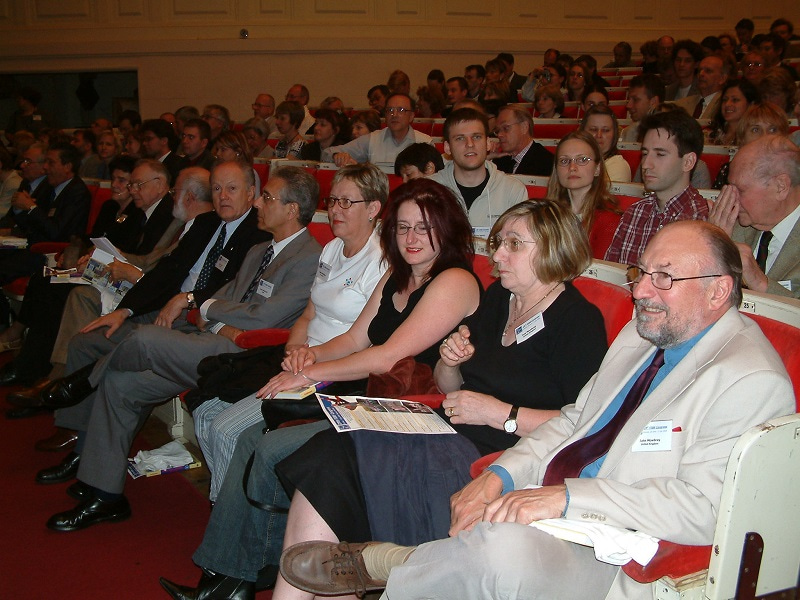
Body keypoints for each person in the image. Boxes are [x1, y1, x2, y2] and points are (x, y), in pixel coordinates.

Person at [279, 219, 795, 600]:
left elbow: (704, 509)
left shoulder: (748, 380)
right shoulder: (642, 341)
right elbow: (575, 421)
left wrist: (565, 501)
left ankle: (397, 565)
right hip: (555, 502)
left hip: (615, 546)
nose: (639, 290)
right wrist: (501, 475)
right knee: (483, 522)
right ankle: (405, 563)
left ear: (718, 291)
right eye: (641, 274)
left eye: (664, 278)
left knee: (500, 551)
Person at [160, 178, 484, 599]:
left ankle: (254, 575)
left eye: (424, 227)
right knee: (255, 439)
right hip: (371, 404)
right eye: (403, 227)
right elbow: (353, 339)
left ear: (448, 229)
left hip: (417, 414)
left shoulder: (454, 281)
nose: (411, 237)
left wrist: (311, 375)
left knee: (273, 447)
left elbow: (387, 356)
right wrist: (307, 358)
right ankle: (231, 577)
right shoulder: (397, 276)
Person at [271, 200, 609, 600]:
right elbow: (453, 389)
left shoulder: (577, 320)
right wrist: (451, 363)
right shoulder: (501, 299)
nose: (497, 254)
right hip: (450, 429)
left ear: (554, 248)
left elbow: (588, 425)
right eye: (499, 241)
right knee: (335, 446)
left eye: (514, 244)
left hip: (502, 457)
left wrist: (502, 414)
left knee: (344, 457)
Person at [38, 164, 322, 532]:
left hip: (245, 358)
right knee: (123, 385)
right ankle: (103, 494)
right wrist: (214, 313)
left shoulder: (308, 257)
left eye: (266, 197)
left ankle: (82, 382)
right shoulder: (260, 250)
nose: (259, 203)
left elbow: (266, 315)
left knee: (141, 339)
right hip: (212, 343)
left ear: (292, 209)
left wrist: (208, 309)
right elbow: (222, 301)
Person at [192, 163, 388, 500]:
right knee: (204, 410)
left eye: (347, 203)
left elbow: (360, 338)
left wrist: (306, 360)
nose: (335, 210)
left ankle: (225, 519)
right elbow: (308, 314)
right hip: (300, 357)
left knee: (224, 429)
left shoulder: (381, 261)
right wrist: (293, 350)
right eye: (333, 200)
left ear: (373, 209)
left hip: (337, 371)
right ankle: (227, 505)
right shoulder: (331, 250)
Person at [605, 109, 708, 265]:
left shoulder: (702, 220)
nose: (645, 164)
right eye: (645, 153)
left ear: (688, 162)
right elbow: (611, 273)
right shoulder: (635, 212)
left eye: (660, 155)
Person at [709, 135, 800, 298]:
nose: (730, 198)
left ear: (781, 187)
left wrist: (759, 282)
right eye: (729, 187)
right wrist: (714, 246)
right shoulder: (731, 227)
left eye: (740, 190)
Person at [429, 108, 528, 232]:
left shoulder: (513, 191)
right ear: (447, 147)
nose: (469, 144)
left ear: (487, 143)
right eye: (460, 138)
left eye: (476, 137)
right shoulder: (428, 189)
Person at [547, 131, 622, 258]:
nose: (572, 167)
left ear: (597, 169)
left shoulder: (609, 221)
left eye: (582, 160)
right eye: (564, 161)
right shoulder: (547, 214)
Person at [323, 94, 432, 167]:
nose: (394, 115)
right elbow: (326, 153)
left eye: (401, 110)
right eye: (390, 110)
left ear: (412, 116)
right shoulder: (372, 139)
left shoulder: (426, 142)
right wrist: (337, 156)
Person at [491, 105, 554, 176]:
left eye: (506, 128)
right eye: (497, 130)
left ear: (524, 127)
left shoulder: (546, 162)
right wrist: (487, 158)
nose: (499, 135)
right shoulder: (499, 160)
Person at [580, 105, 631, 182]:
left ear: (614, 135)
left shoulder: (618, 166)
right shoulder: (574, 161)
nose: (599, 135)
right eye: (593, 130)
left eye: (605, 130)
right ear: (582, 132)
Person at [675, 55, 729, 119]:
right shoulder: (681, 104)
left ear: (722, 78)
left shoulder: (725, 104)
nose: (701, 74)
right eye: (699, 70)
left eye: (708, 71)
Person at [707, 78, 759, 145]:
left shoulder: (754, 137)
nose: (727, 104)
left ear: (751, 104)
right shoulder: (710, 135)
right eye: (725, 100)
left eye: (735, 100)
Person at [620, 74, 665, 142]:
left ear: (653, 102)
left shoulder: (670, 134)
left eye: (635, 99)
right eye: (629, 99)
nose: (628, 105)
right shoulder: (628, 132)